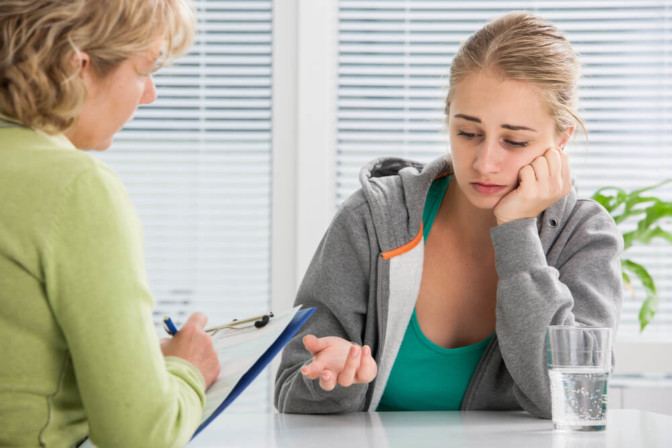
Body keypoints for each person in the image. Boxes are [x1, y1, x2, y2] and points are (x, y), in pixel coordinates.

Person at [275, 11, 623, 418]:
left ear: (560, 141)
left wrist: (515, 232)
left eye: (514, 140)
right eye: (468, 133)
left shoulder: (585, 236)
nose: (485, 162)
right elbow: (290, 392)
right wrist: (333, 381)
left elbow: (574, 404)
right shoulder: (372, 219)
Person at [0, 1, 221, 446]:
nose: (150, 93)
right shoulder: (75, 187)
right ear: (74, 66)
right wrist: (186, 369)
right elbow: (140, 435)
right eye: (144, 68)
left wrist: (131, 372)